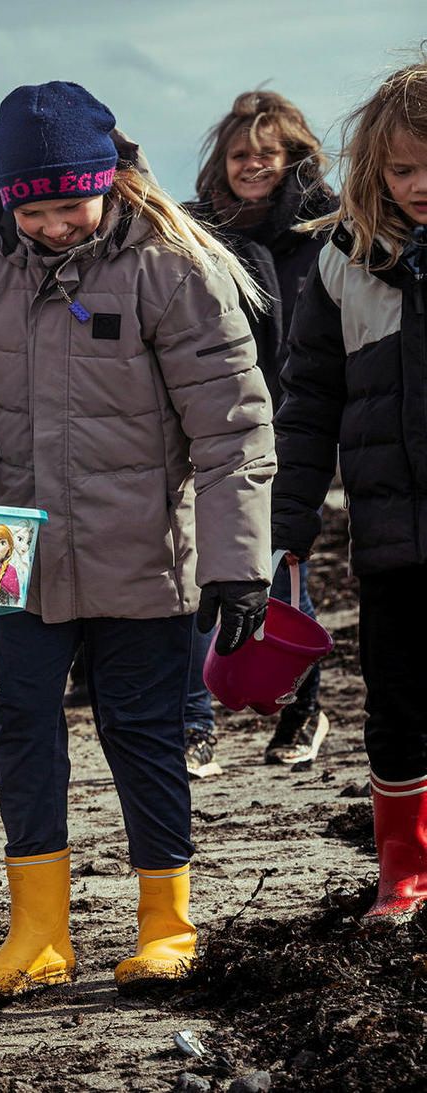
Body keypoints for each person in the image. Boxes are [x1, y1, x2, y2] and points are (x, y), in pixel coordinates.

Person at [0, 82, 274, 997]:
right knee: (21, 728)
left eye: (72, 204)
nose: (57, 225)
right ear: (6, 198)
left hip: (146, 555)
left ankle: (168, 924)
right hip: (21, 561)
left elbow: (231, 426)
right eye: (37, 209)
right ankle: (37, 933)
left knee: (144, 733)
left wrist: (237, 564)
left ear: (106, 182)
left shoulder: (171, 266)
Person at [271, 60, 427, 926]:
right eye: (401, 170)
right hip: (389, 532)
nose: (418, 185)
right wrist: (285, 526)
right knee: (396, 700)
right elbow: (308, 405)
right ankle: (403, 874)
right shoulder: (341, 261)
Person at [181, 90, 341, 777]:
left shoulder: (329, 231)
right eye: (240, 155)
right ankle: (194, 723)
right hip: (208, 423)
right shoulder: (196, 234)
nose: (252, 166)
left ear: (293, 159)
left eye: (265, 155)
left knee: (281, 571)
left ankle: (303, 709)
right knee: (194, 573)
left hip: (292, 423)